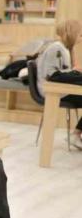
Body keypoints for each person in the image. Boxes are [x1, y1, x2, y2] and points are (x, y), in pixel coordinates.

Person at [35, 19, 82, 149]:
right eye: (80, 35)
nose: (81, 39)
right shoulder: (56, 48)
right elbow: (53, 76)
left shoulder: (63, 49)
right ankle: (76, 134)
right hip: (52, 91)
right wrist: (76, 73)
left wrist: (75, 72)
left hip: (59, 89)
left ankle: (77, 134)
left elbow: (62, 72)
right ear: (71, 34)